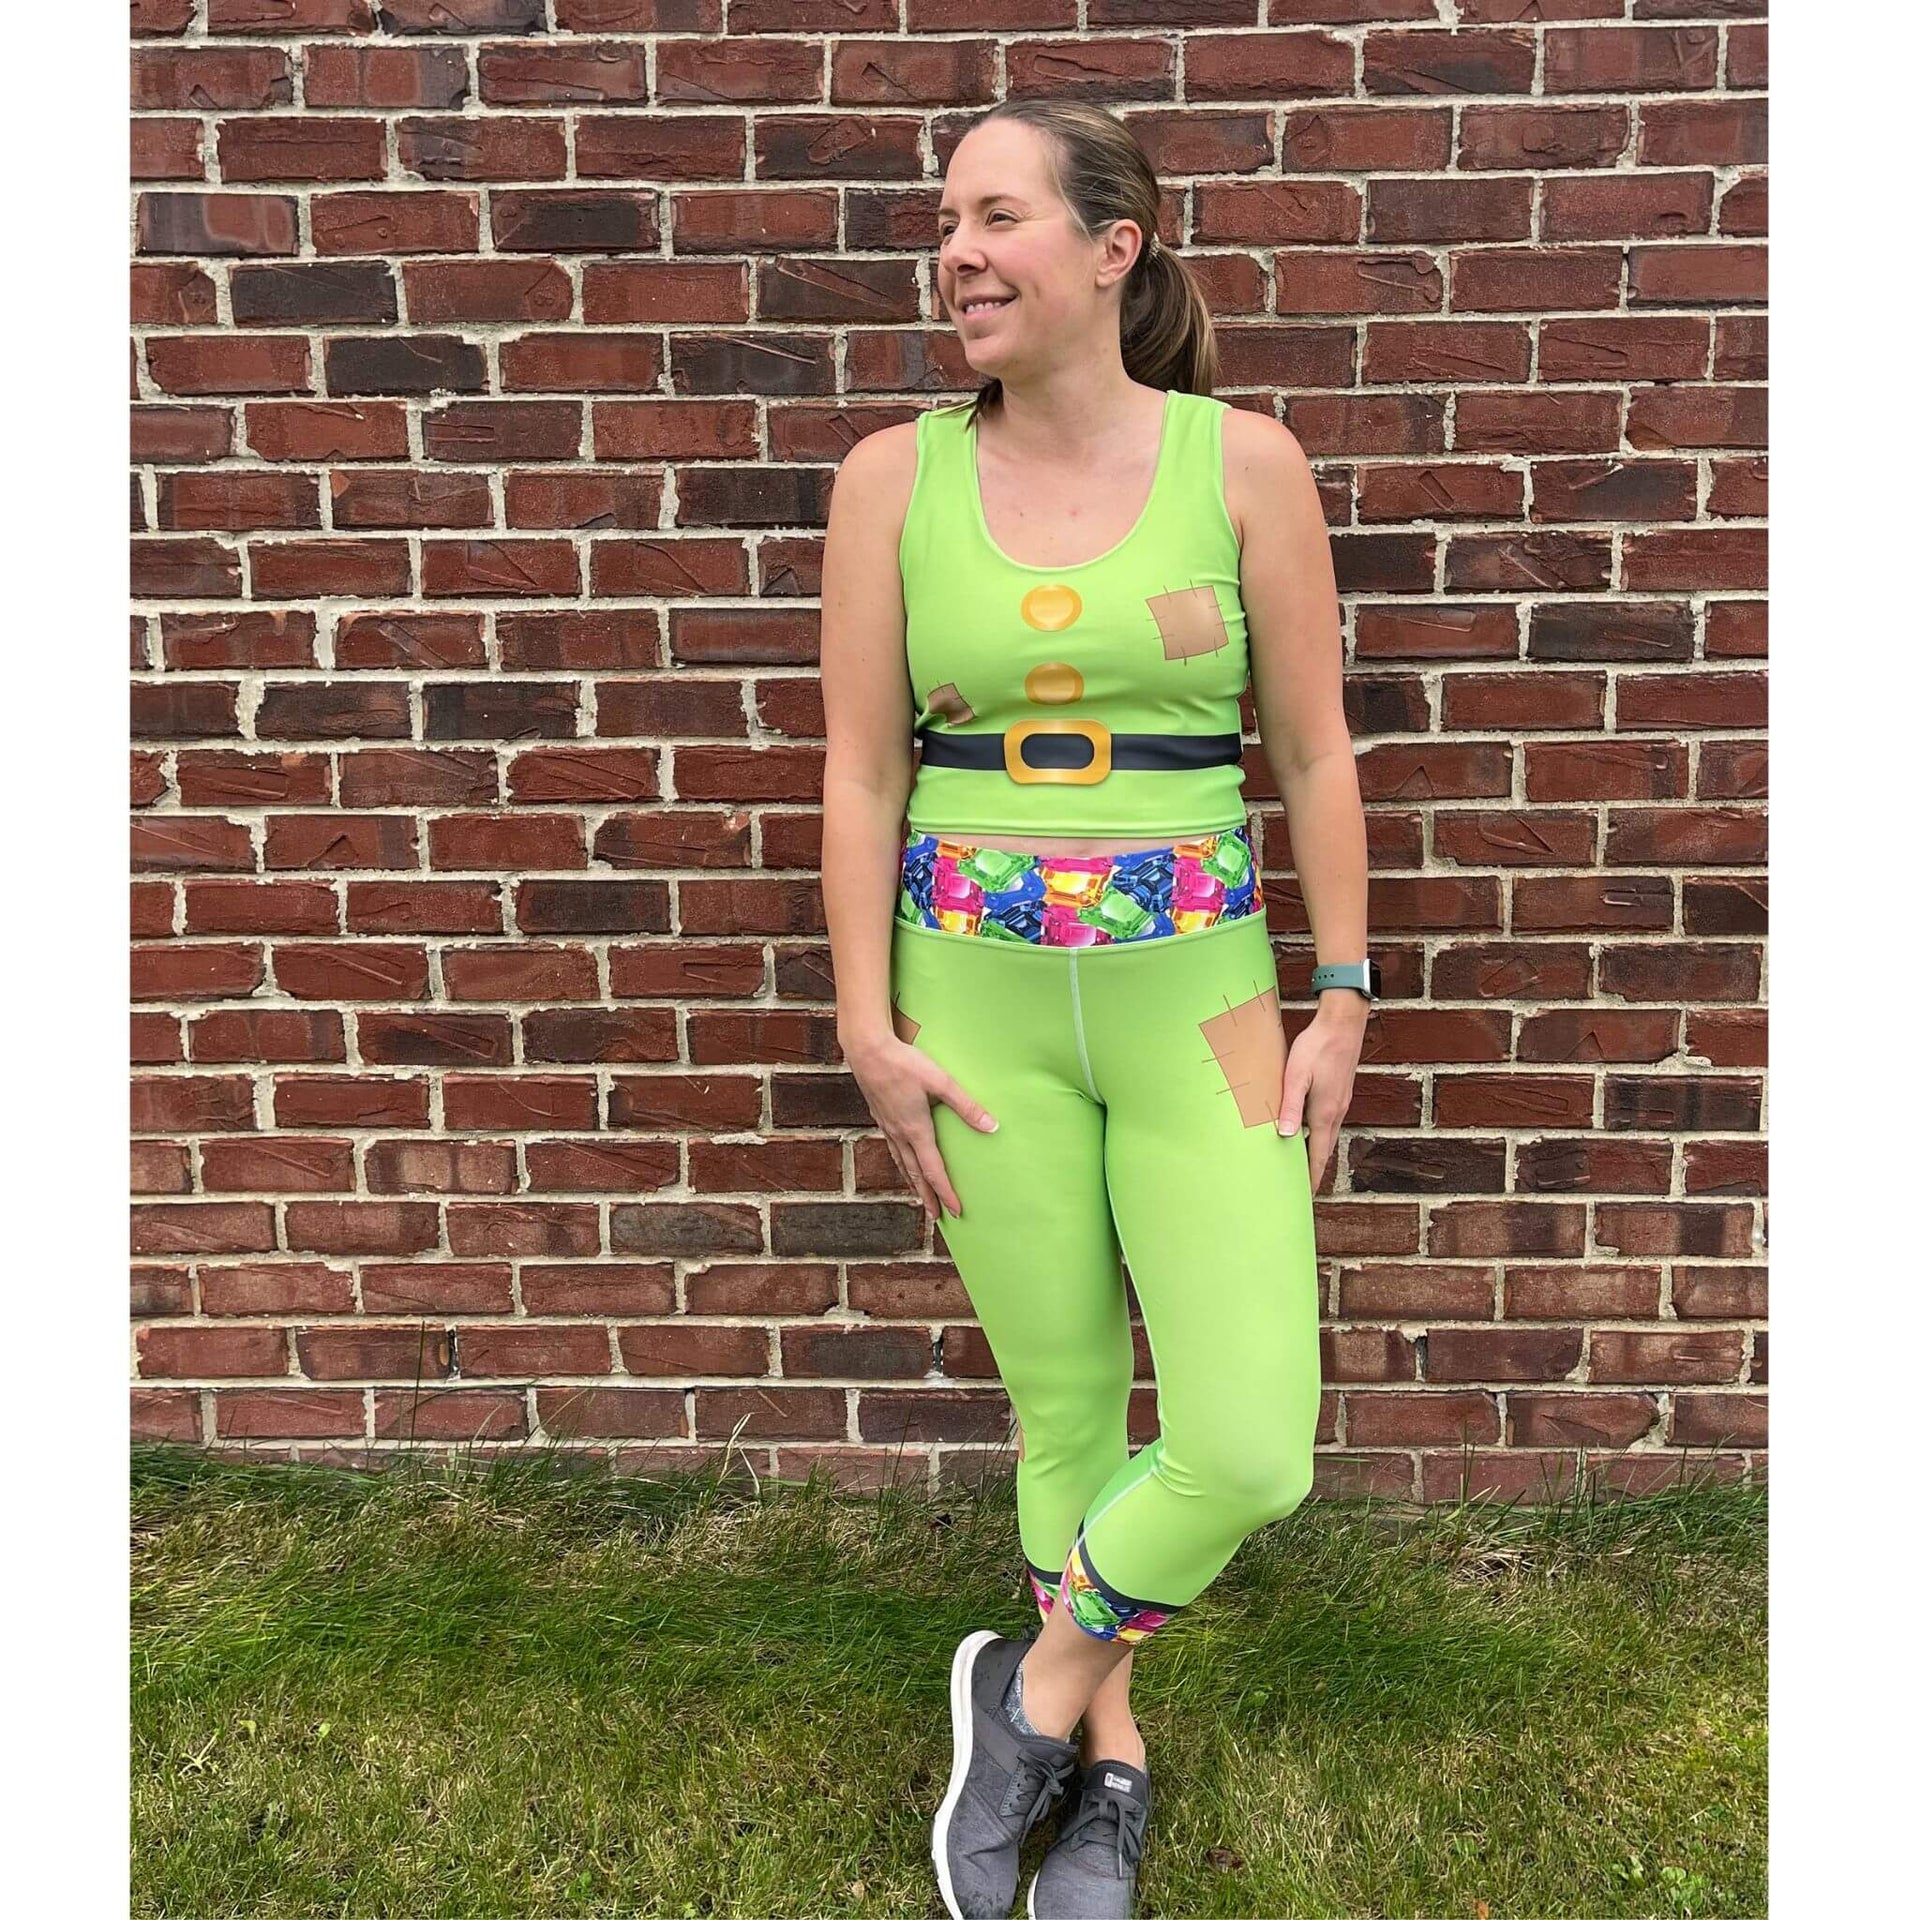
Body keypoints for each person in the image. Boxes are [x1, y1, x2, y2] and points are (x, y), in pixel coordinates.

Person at [818, 99, 1375, 1920]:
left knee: (1247, 1444)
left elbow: (1313, 752)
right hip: (971, 1014)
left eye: (996, 217)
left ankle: (1031, 1691)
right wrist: (866, 1026)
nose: (956, 254)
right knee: (1063, 1409)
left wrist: (1342, 993)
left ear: (1111, 248)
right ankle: (1107, 1779)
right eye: (947, 223)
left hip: (1200, 1005)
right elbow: (860, 775)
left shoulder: (1244, 465)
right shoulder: (893, 480)